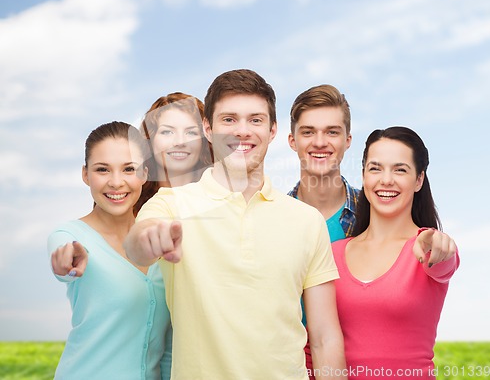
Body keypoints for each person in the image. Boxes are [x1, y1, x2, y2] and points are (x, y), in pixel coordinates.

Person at [124, 69, 348, 380]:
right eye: (229, 120)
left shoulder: (307, 220)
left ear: (272, 130)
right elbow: (137, 245)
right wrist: (150, 238)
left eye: (255, 120)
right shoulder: (171, 204)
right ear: (208, 128)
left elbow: (324, 336)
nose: (242, 131)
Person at [332, 126, 459, 379]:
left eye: (400, 169)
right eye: (375, 168)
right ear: (364, 175)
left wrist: (438, 244)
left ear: (419, 180)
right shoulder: (332, 253)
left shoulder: (427, 248)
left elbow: (445, 261)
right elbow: (315, 344)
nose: (386, 179)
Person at [47, 121, 172, 380]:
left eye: (129, 169)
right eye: (102, 170)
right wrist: (66, 267)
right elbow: (65, 264)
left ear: (145, 173)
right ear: (85, 174)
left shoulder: (160, 240)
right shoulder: (70, 237)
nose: (116, 182)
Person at [288, 85, 359, 379]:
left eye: (332, 132)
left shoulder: (375, 214)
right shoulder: (272, 220)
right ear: (292, 140)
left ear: (347, 140)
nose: (320, 142)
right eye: (308, 132)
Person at [135, 92, 213, 214]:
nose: (180, 142)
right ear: (150, 140)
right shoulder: (131, 204)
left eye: (191, 133)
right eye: (167, 132)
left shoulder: (225, 199)